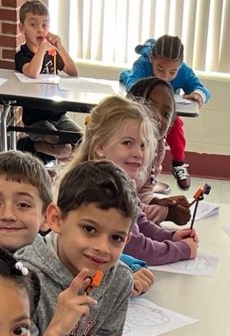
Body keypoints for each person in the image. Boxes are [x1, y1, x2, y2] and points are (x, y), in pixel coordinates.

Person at [13, 159, 137, 336]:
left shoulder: (119, 281)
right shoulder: (21, 281)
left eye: (116, 238)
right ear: (56, 219)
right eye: (89, 229)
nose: (102, 247)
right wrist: (56, 329)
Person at [75, 96, 198, 266]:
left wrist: (169, 236)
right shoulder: (103, 190)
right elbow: (135, 248)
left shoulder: (123, 182)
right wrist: (181, 250)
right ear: (100, 148)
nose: (138, 153)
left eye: (142, 145)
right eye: (127, 143)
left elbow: (139, 221)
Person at [119, 34, 209, 189]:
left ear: (179, 65)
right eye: (160, 69)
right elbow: (133, 85)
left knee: (175, 127)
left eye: (172, 72)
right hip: (143, 110)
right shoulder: (142, 64)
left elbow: (202, 89)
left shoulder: (183, 71)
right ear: (152, 59)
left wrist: (198, 95)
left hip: (166, 112)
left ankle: (179, 164)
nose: (165, 76)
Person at [14, 0, 83, 165]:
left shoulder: (52, 53)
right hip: (36, 117)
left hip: (57, 113)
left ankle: (55, 156)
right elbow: (32, 72)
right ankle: (29, 145)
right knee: (57, 141)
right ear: (22, 28)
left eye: (44, 25)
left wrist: (60, 48)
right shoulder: (22, 55)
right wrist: (43, 49)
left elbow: (73, 72)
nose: (40, 29)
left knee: (82, 140)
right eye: (33, 24)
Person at [127, 77, 191, 224]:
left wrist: (158, 201)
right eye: (149, 106)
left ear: (170, 125)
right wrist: (166, 214)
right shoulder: (123, 147)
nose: (157, 116)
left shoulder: (157, 147)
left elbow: (142, 191)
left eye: (166, 114)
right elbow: (124, 210)